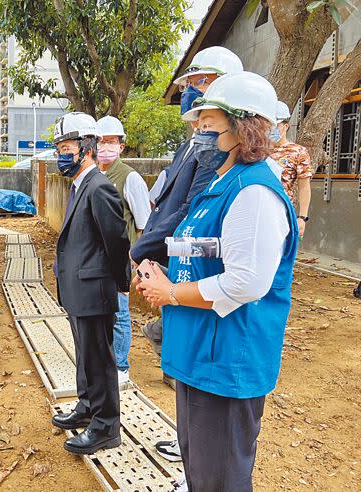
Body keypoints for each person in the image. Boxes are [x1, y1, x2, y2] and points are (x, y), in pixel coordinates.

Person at [137, 71, 299, 492]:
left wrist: (170, 293)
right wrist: (169, 272)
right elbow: (214, 250)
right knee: (200, 468)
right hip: (201, 353)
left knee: (220, 477)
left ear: (241, 125)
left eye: (207, 123)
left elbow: (247, 281)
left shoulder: (254, 192)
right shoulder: (222, 183)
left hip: (228, 361)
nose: (197, 132)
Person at [130, 46, 244, 463]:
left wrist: (146, 246)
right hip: (178, 259)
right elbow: (167, 200)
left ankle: (196, 458)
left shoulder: (232, 166)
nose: (192, 93)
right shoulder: (195, 143)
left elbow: (190, 208)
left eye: (201, 83)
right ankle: (188, 450)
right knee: (184, 367)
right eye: (190, 84)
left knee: (201, 368)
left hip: (199, 271)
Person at [50, 112, 130, 455]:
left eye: (67, 148)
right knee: (85, 356)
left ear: (87, 148)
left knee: (99, 358)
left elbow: (117, 242)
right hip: (78, 290)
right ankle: (87, 406)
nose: (61, 155)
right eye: (59, 149)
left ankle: (106, 426)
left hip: (94, 290)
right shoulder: (79, 185)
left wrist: (120, 282)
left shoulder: (100, 188)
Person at [96, 115, 151, 387]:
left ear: (121, 145)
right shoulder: (92, 175)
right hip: (95, 259)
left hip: (120, 259)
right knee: (100, 311)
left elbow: (143, 225)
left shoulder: (130, 178)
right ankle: (104, 362)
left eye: (111, 141)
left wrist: (135, 263)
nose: (105, 147)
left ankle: (120, 367)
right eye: (100, 141)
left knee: (119, 313)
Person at [271, 101, 313, 238]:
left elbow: (304, 187)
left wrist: (302, 217)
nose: (271, 130)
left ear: (285, 126)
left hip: (282, 212)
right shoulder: (256, 151)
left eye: (275, 125)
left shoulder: (298, 152)